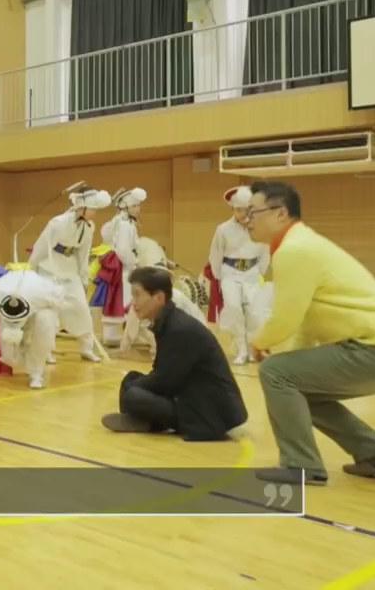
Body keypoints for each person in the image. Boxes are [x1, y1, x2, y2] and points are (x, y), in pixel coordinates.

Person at [244, 180, 375, 486]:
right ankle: (372, 450)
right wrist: (291, 357)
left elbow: (286, 318)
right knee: (296, 384)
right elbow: (307, 321)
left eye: (252, 212)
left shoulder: (295, 250)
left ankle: (300, 466)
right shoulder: (302, 244)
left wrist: (259, 342)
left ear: (281, 213)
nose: (247, 220)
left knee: (275, 372)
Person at [101, 267, 247, 440]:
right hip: (192, 396)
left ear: (159, 298)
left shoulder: (178, 328)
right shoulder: (168, 321)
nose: (134, 302)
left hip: (209, 414)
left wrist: (135, 389)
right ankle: (143, 419)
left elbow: (165, 381)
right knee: (130, 380)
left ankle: (149, 421)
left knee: (133, 393)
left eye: (138, 295)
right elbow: (163, 372)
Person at [28, 188, 112, 362]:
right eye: (92, 209)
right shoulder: (57, 222)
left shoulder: (89, 226)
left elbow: (83, 253)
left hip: (70, 270)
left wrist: (83, 278)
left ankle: (86, 348)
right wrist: (31, 269)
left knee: (82, 309)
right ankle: (46, 350)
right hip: (50, 269)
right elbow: (42, 246)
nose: (95, 213)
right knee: (49, 312)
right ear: (81, 206)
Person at [0, 268, 64, 389]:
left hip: (39, 309)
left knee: (45, 322)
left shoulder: (44, 294)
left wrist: (47, 335)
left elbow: (59, 304)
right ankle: (23, 358)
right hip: (12, 308)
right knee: (9, 355)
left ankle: (36, 374)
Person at [207, 186, 271, 365]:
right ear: (233, 210)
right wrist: (219, 277)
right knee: (234, 309)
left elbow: (265, 251)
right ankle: (241, 350)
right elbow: (215, 254)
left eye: (246, 209)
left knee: (254, 312)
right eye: (238, 210)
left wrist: (259, 272)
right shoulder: (223, 229)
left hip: (252, 272)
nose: (242, 214)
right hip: (230, 272)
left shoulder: (260, 227)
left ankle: (252, 349)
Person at [97, 187, 147, 346]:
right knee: (122, 298)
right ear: (124, 207)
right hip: (123, 268)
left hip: (124, 266)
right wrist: (134, 263)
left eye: (138, 205)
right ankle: (115, 335)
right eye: (134, 206)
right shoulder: (124, 224)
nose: (138, 209)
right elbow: (123, 249)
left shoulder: (125, 223)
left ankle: (127, 333)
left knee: (121, 298)